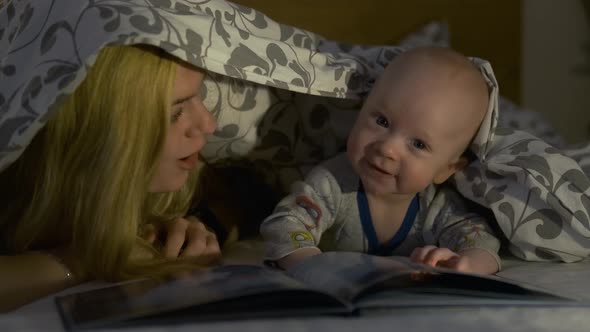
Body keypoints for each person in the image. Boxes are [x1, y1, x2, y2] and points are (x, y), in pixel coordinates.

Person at [0, 45, 221, 311]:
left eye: (199, 96)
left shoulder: (204, 192)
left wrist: (182, 240)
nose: (209, 124)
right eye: (175, 113)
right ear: (94, 135)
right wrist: (94, 259)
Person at [260, 46, 501, 275]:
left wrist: (467, 264)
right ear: (361, 110)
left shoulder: (436, 207)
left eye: (418, 144)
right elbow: (286, 224)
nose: (387, 148)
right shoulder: (332, 184)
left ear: (447, 170)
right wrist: (312, 265)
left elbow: (481, 240)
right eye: (382, 121)